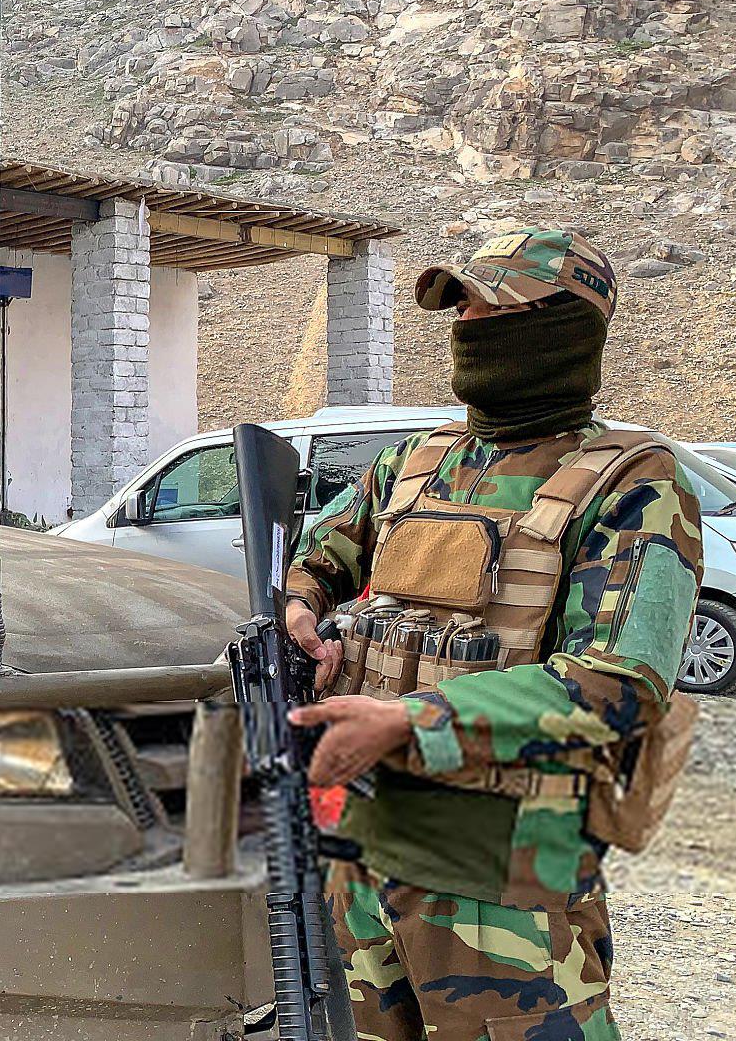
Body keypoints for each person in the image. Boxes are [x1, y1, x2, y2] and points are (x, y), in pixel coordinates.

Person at [281, 228, 701, 1041]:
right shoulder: (416, 460)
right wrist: (303, 610)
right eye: (461, 308)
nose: (467, 323)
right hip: (363, 851)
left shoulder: (634, 481)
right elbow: (319, 556)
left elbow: (619, 685)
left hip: (502, 873)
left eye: (492, 308)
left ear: (564, 329)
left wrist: (409, 720)